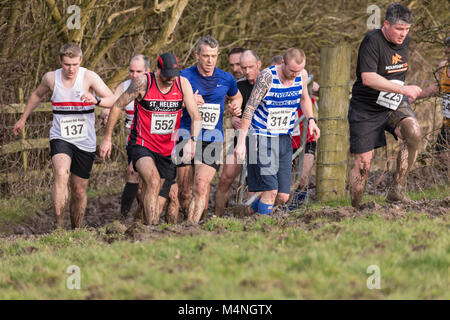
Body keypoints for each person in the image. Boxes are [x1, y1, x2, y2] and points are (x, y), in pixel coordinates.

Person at [13, 43, 114, 229]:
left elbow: (113, 99)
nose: (71, 69)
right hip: (61, 137)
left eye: (75, 64)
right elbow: (36, 94)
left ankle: (76, 229)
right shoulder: (51, 78)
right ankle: (58, 227)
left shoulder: (89, 77)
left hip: (85, 140)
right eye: (67, 64)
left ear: (80, 61)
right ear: (61, 61)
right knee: (61, 173)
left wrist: (97, 101)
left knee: (78, 189)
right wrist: (23, 118)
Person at [99, 52, 201, 225]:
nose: (170, 79)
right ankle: (152, 229)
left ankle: (141, 223)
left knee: (154, 193)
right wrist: (107, 138)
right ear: (157, 70)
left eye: (174, 75)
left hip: (168, 149)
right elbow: (117, 106)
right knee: (152, 181)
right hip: (141, 143)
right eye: (167, 74)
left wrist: (192, 141)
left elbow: (195, 116)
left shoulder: (182, 84)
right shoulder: (143, 83)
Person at [348, 3, 422, 208]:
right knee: (364, 163)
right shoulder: (372, 41)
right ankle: (355, 208)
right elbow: (368, 78)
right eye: (399, 29)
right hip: (366, 108)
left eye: (407, 29)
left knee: (413, 132)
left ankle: (397, 191)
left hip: (392, 103)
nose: (403, 34)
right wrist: (403, 90)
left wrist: (404, 92)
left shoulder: (405, 40)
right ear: (386, 24)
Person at [235, 48, 320, 216]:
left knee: (282, 196)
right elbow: (249, 109)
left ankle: (248, 211)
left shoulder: (301, 76)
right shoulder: (267, 77)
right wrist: (241, 141)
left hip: (284, 138)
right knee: (271, 191)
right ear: (283, 63)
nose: (295, 74)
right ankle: (263, 228)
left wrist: (311, 120)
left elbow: (304, 99)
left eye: (298, 70)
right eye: (291, 70)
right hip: (262, 137)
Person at [176, 35, 243, 223]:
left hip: (213, 137)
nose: (210, 60)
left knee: (201, 186)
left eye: (213, 56)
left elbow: (236, 97)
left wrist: (236, 106)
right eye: (206, 55)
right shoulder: (184, 77)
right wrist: (187, 102)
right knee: (184, 192)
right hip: (186, 135)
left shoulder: (226, 78)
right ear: (197, 55)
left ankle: (193, 228)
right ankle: (184, 221)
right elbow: (169, 104)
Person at [100, 54, 151, 217]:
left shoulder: (153, 86)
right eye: (131, 71)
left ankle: (145, 212)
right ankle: (125, 214)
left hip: (152, 139)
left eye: (138, 71)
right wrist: (106, 113)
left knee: (145, 178)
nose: (134, 75)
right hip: (133, 139)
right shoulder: (124, 87)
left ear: (147, 71)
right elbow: (113, 103)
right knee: (133, 173)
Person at [215, 50, 261, 216]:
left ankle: (253, 219)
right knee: (225, 178)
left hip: (263, 139)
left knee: (254, 184)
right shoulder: (238, 85)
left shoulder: (268, 83)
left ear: (258, 65)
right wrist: (234, 117)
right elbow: (234, 111)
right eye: (243, 67)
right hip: (242, 138)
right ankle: (216, 217)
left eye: (249, 67)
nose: (245, 70)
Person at [415, 36, 450, 161]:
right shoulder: (443, 66)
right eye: (446, 46)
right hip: (447, 123)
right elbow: (437, 88)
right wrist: (415, 96)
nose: (446, 50)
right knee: (439, 158)